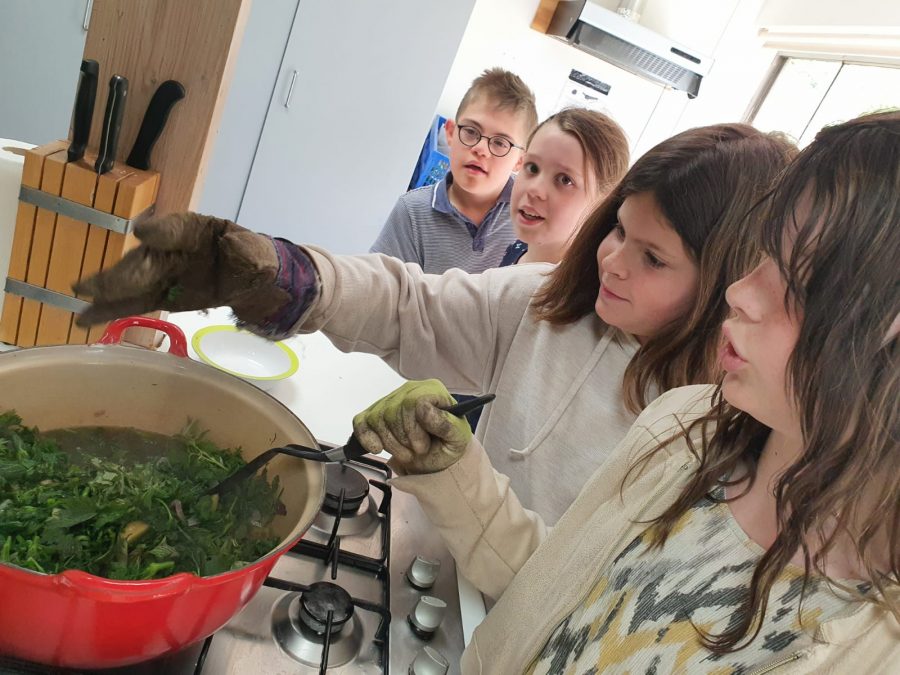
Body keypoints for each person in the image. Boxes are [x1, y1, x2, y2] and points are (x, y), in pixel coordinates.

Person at [350, 111, 900, 672]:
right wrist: (455, 472)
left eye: (797, 281)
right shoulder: (680, 428)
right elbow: (545, 590)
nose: (739, 292)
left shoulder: (870, 645)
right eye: (761, 257)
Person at [73, 124, 795, 525]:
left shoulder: (717, 426)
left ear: (723, 285)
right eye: (617, 231)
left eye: (654, 258)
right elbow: (406, 303)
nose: (612, 261)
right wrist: (287, 277)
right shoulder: (552, 300)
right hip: (446, 576)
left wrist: (457, 477)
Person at [370, 68, 538, 274]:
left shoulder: (531, 215)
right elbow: (381, 288)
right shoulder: (412, 211)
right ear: (450, 132)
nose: (481, 149)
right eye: (471, 131)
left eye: (501, 143)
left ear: (520, 160)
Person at [499, 107, 629, 266]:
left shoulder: (579, 289)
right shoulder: (516, 249)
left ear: (602, 203)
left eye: (565, 180)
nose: (534, 190)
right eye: (533, 168)